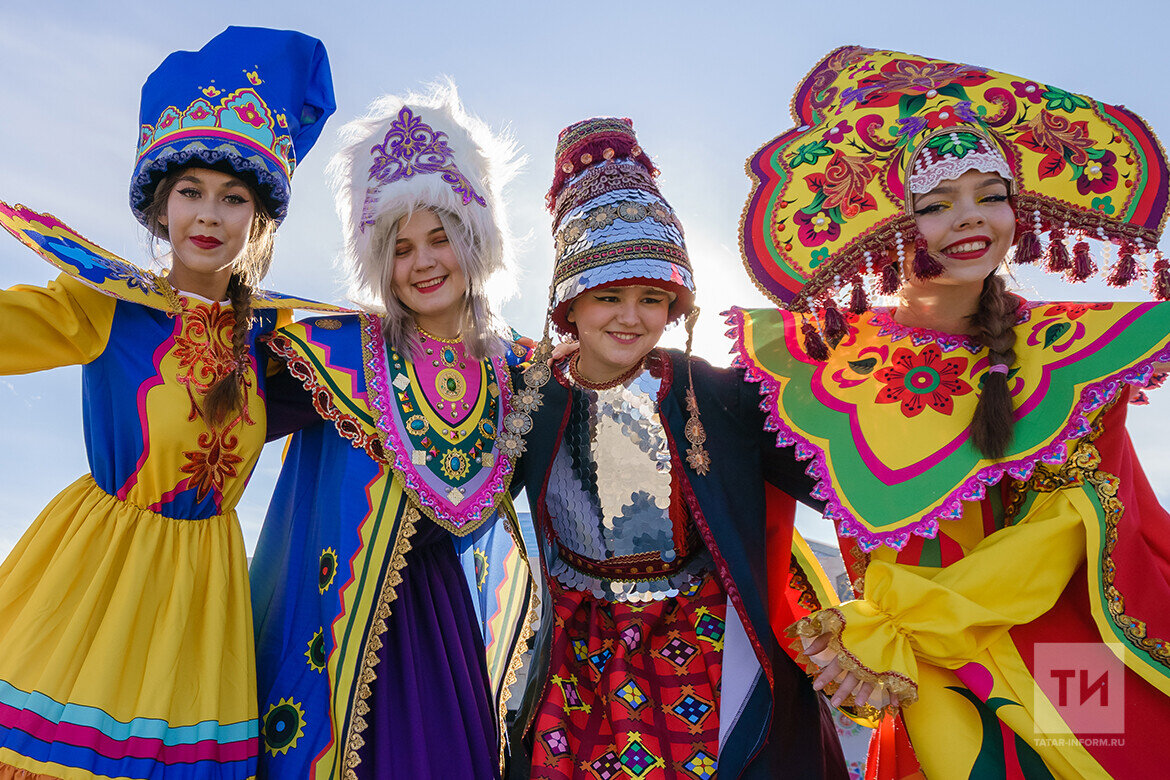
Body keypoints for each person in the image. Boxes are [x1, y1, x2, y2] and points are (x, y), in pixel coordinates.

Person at [731, 46, 1170, 778]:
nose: (970, 221)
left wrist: (900, 624)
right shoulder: (824, 360)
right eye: (936, 205)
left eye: (990, 194)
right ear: (888, 222)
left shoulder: (1069, 353)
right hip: (923, 677)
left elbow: (1080, 520)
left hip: (1057, 659)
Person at [0, 26, 335, 780]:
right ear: (159, 208)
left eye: (232, 197)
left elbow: (387, 386)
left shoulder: (277, 343)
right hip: (95, 579)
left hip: (203, 602)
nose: (209, 216)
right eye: (190, 192)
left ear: (258, 219)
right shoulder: (108, 305)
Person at [508, 117, 848, 780]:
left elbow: (835, 469)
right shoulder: (529, 398)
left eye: (651, 298)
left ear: (677, 306)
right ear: (569, 308)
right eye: (607, 297)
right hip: (579, 646)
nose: (630, 317)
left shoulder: (720, 394)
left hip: (706, 636)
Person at [249, 84, 536, 780]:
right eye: (401, 249)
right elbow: (229, 402)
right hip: (338, 625)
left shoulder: (524, 370)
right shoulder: (338, 354)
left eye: (441, 239)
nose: (424, 262)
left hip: (447, 630)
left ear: (476, 242)